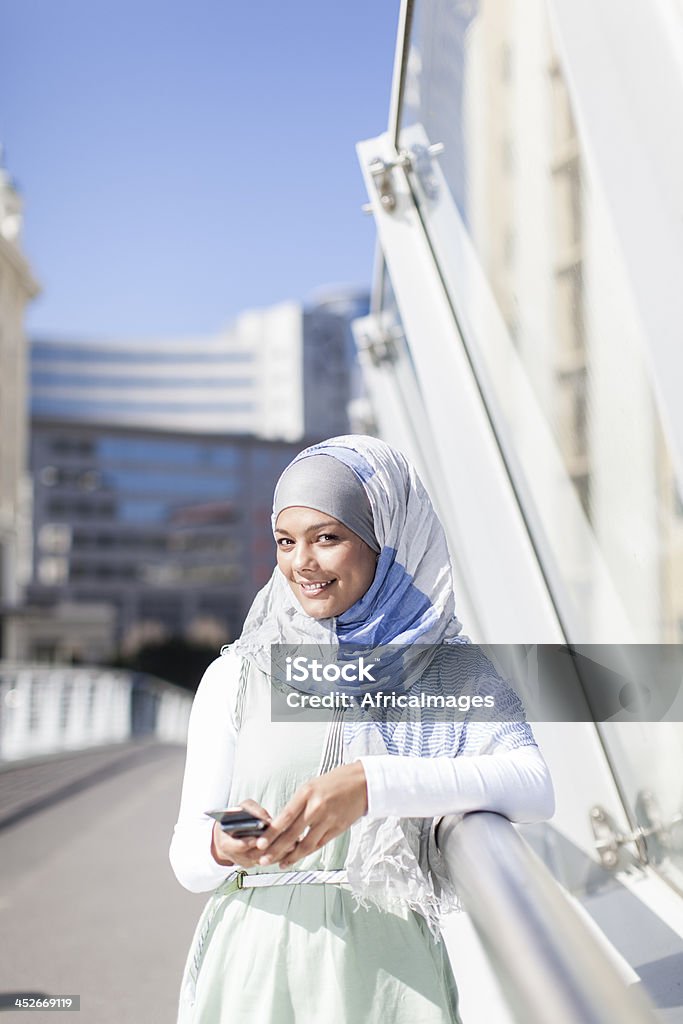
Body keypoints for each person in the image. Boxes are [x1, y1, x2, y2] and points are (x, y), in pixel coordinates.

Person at [170, 435, 554, 1024]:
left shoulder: (446, 667)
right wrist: (225, 846)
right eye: (285, 541)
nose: (303, 563)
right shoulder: (238, 673)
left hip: (389, 972)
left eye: (328, 538)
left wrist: (371, 784)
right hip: (253, 963)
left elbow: (532, 786)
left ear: (387, 541)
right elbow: (187, 858)